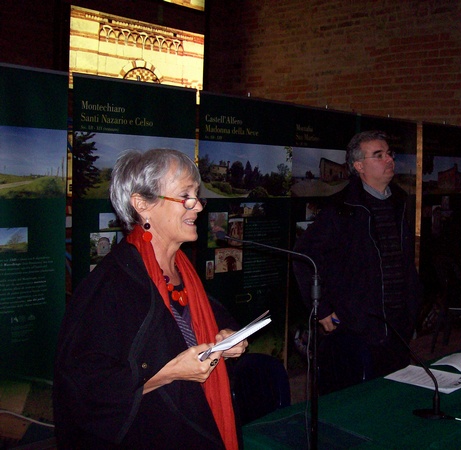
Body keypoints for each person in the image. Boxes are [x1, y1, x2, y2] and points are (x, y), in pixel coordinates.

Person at [53, 149, 246, 449]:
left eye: (196, 195)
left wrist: (230, 338)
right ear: (142, 205)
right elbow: (83, 384)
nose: (197, 207)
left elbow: (209, 320)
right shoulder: (110, 284)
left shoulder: (184, 270)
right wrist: (166, 374)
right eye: (185, 196)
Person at [293, 130, 422, 393]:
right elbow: (305, 257)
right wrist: (322, 308)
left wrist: (412, 305)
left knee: (392, 397)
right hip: (357, 326)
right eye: (379, 155)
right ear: (359, 166)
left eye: (389, 154)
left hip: (397, 325)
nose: (389, 160)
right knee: (355, 400)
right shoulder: (341, 209)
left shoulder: (400, 203)